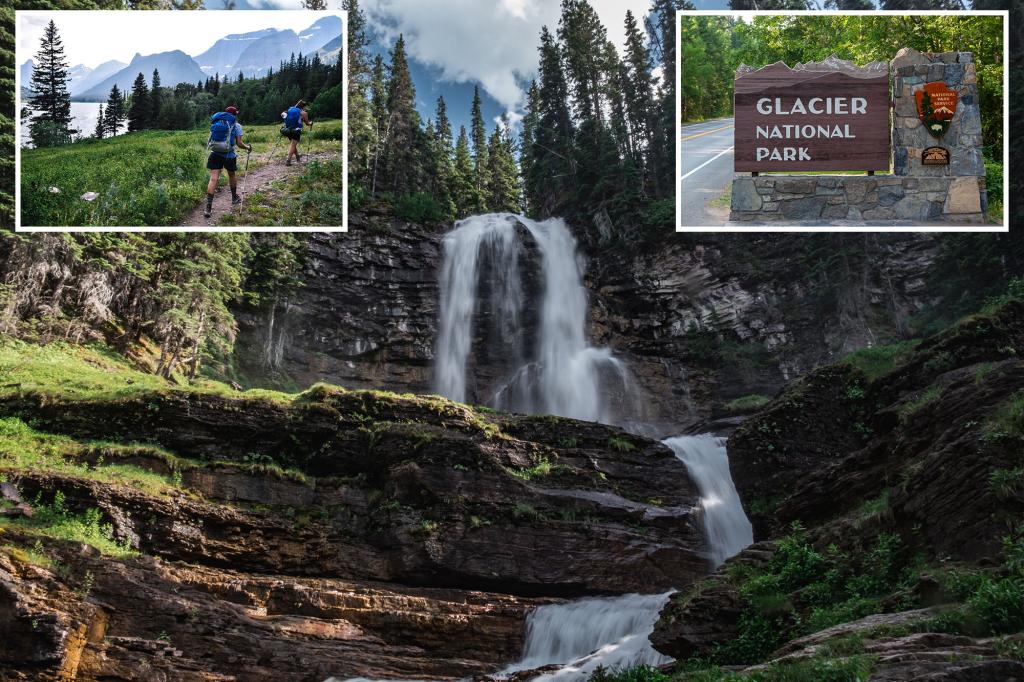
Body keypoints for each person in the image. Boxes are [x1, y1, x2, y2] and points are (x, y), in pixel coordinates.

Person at [204, 105, 253, 218]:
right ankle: (234, 197)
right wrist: (248, 148)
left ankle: (208, 208)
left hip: (215, 153)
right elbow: (239, 144)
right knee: (231, 175)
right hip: (229, 155)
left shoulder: (217, 123)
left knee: (213, 179)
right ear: (235, 114)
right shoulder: (237, 125)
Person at [281, 99, 313, 167]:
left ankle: (297, 157)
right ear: (303, 107)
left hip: (288, 129)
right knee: (293, 145)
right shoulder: (304, 113)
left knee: (293, 144)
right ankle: (288, 161)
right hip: (296, 130)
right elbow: (307, 123)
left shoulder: (290, 109)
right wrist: (311, 123)